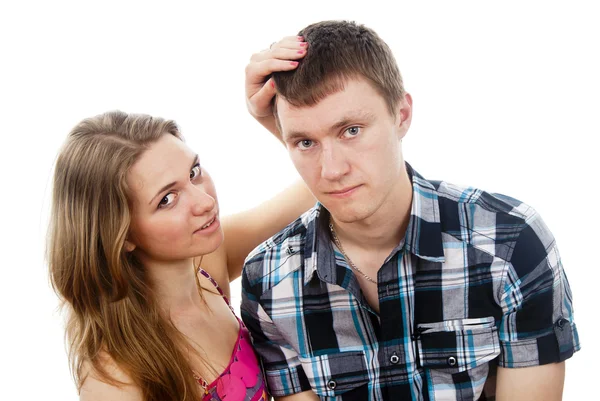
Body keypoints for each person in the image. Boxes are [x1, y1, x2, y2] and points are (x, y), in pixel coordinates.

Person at [240, 20, 580, 401]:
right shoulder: (268, 281)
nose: (332, 170)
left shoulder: (510, 243)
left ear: (401, 115)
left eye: (351, 130)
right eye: (305, 142)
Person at [47, 38, 311, 401]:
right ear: (121, 235)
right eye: (167, 199)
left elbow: (321, 184)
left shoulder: (205, 261)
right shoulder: (116, 375)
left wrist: (273, 119)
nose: (204, 202)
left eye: (194, 171)